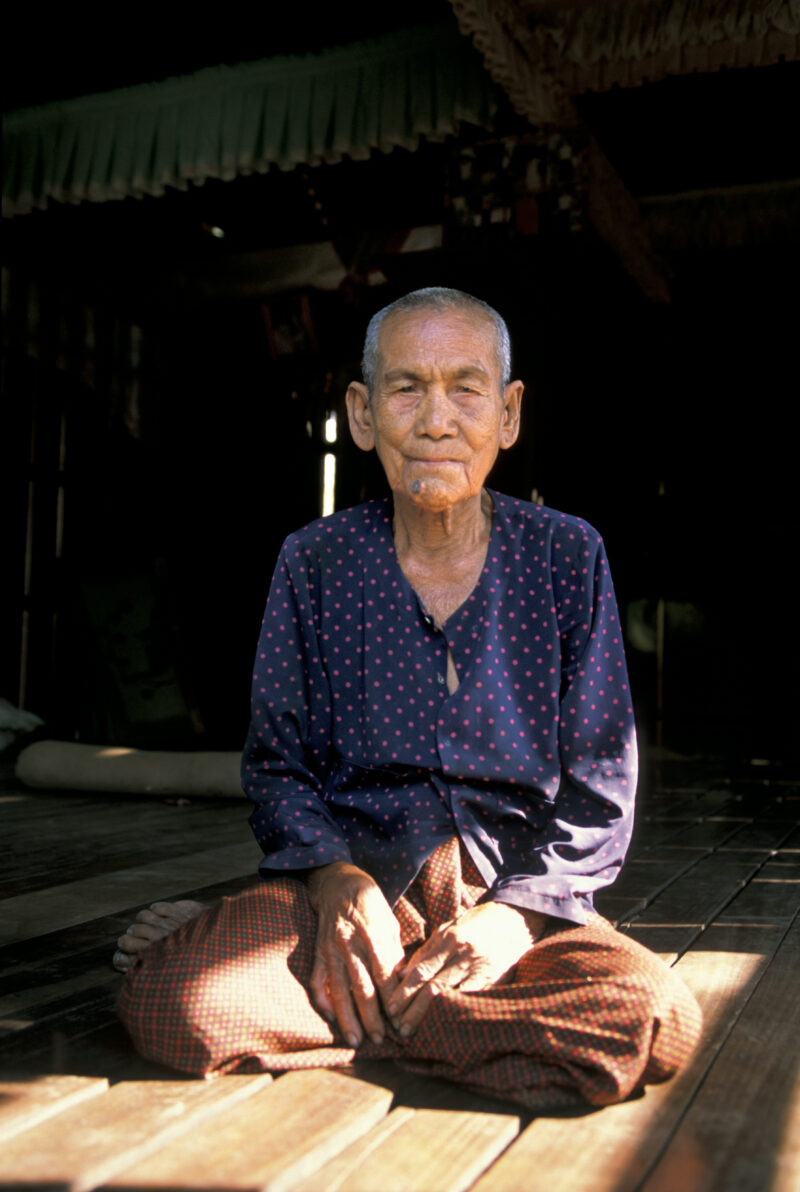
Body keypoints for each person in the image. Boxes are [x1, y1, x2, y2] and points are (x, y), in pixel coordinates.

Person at [116, 288, 701, 1110]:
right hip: (350, 902)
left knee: (653, 1019)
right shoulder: (314, 561)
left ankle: (359, 1027)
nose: (435, 419)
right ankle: (424, 1018)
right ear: (360, 413)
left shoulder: (568, 556)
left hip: (514, 904)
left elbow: (602, 780)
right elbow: (278, 764)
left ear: (508, 413)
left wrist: (514, 919)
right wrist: (332, 879)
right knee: (171, 1003)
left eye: (466, 388)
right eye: (404, 388)